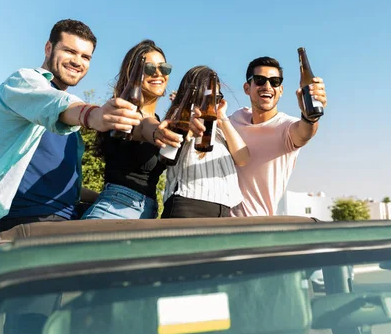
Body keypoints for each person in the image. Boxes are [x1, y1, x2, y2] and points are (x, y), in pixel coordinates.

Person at [0, 19, 142, 238]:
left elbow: (60, 185)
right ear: (48, 48)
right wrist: (94, 115)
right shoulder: (24, 82)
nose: (78, 62)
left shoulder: (69, 111)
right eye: (70, 51)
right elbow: (56, 104)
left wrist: (104, 198)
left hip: (63, 216)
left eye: (86, 57)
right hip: (27, 219)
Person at [192, 56, 327, 216]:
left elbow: (305, 132)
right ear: (247, 88)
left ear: (281, 90)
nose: (267, 86)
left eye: (275, 81)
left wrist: (310, 117)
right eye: (260, 80)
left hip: (257, 225)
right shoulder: (235, 118)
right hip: (220, 221)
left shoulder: (286, 127)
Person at [81, 39, 172, 220]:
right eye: (149, 68)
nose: (158, 73)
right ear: (134, 73)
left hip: (146, 213)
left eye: (164, 68)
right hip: (115, 210)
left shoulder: (156, 119)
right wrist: (156, 132)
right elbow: (142, 126)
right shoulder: (121, 111)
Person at [161, 66, 249, 218]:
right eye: (208, 95)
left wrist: (221, 117)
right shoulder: (182, 118)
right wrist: (185, 124)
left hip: (224, 209)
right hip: (189, 206)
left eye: (217, 96)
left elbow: (243, 158)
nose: (212, 101)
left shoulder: (219, 130)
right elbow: (171, 145)